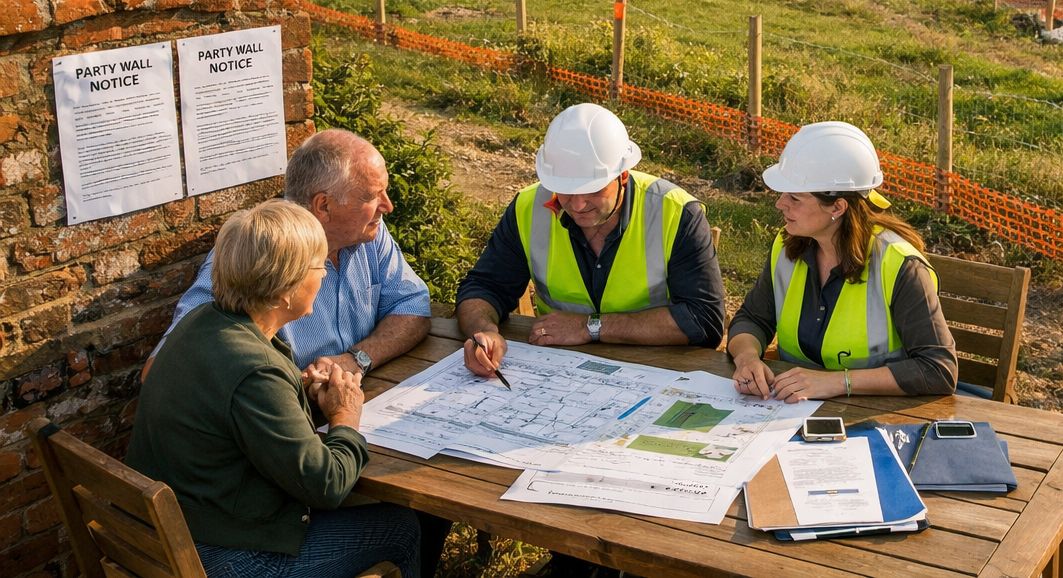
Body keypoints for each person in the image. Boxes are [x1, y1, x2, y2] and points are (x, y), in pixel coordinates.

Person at [144, 129, 449, 576]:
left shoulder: (223, 322)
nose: (323, 275)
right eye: (315, 268)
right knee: (403, 527)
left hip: (213, 512)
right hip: (231, 548)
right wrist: (343, 416)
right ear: (285, 287)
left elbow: (413, 307)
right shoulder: (256, 367)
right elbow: (325, 485)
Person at [458, 103, 726, 373]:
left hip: (660, 370)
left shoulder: (675, 212)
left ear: (622, 176)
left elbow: (703, 322)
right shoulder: (528, 208)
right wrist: (483, 332)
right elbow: (484, 287)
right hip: (558, 370)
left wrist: (590, 326)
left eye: (592, 189)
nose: (577, 205)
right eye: (565, 190)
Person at [728, 121, 958, 402]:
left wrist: (837, 382)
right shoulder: (786, 245)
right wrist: (747, 357)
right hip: (791, 411)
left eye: (795, 198)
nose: (780, 204)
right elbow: (752, 318)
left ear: (838, 207)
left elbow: (939, 369)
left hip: (879, 418)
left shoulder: (900, 266)